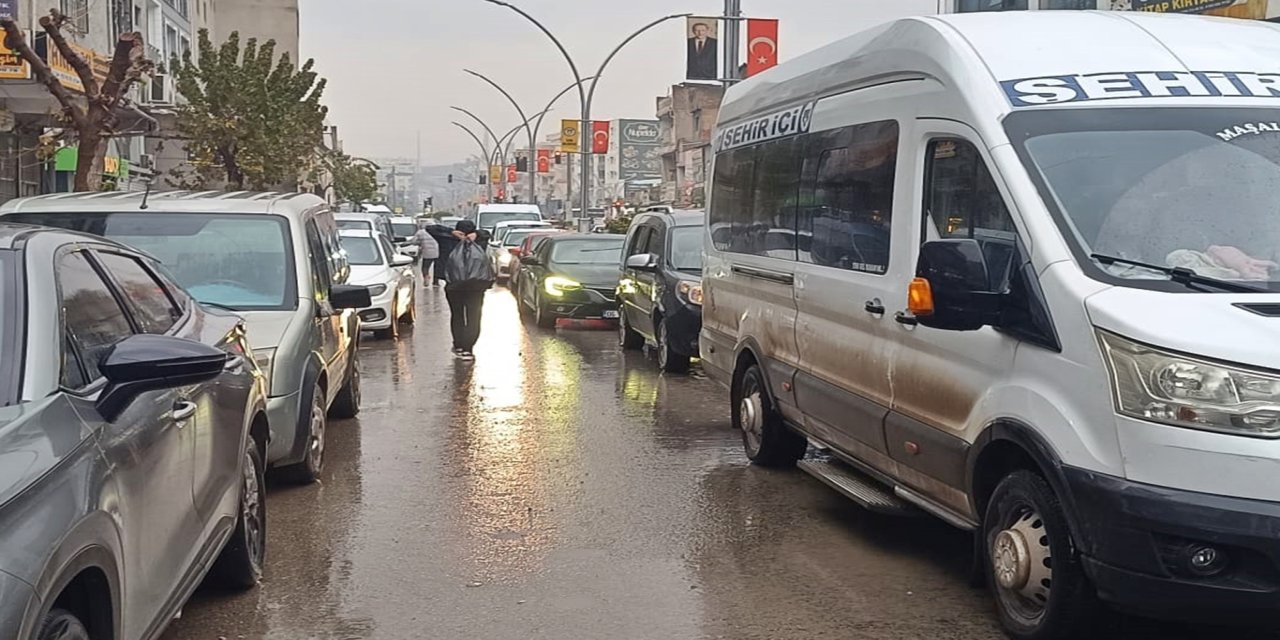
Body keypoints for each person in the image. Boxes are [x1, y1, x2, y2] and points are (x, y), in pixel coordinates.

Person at [443, 220, 494, 360]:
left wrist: (451, 233)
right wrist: (477, 234)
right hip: (476, 287)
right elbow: (487, 234)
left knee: (457, 315)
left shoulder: (449, 240)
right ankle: (468, 348)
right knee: (474, 317)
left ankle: (459, 344)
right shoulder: (480, 241)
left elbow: (431, 229)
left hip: (454, 286)